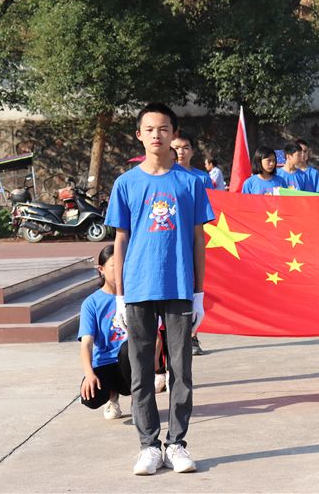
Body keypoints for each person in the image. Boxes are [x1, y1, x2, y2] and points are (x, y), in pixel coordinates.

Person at [105, 102, 215, 476]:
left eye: (163, 128)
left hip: (179, 286)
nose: (157, 134)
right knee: (141, 372)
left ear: (174, 134)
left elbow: (200, 240)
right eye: (149, 129)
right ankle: (149, 445)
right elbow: (120, 240)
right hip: (137, 288)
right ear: (139, 135)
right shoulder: (126, 183)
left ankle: (178, 443)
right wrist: (119, 293)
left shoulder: (191, 182)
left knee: (181, 371)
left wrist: (199, 292)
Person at [172, 132, 213, 357]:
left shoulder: (201, 178)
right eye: (177, 147)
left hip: (200, 239)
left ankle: (193, 335)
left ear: (193, 152)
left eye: (186, 147)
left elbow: (216, 206)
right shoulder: (168, 175)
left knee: (197, 288)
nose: (181, 152)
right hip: (177, 240)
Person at [78, 245, 131, 420]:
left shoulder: (134, 296)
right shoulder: (91, 303)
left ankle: (139, 400)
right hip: (105, 363)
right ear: (101, 270)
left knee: (128, 348)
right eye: (114, 265)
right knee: (90, 397)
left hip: (131, 362)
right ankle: (111, 397)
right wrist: (89, 374)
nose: (120, 270)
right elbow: (86, 343)